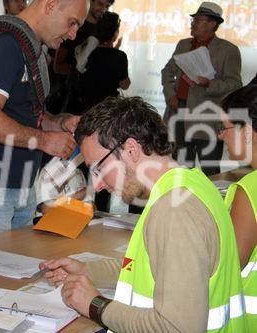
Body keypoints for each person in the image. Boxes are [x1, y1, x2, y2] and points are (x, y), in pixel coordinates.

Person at [40, 96, 247, 332]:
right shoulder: (191, 184)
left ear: (131, 149)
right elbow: (154, 266)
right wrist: (87, 271)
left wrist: (95, 305)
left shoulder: (174, 211)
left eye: (98, 168)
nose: (96, 185)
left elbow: (177, 327)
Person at [0, 0, 88, 235]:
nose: (73, 35)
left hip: (20, 185)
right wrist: (44, 140)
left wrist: (58, 122)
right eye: (72, 23)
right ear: (50, 5)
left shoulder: (29, 47)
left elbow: (24, 112)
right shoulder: (6, 45)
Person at [161, 1, 242, 176]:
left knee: (209, 171)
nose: (193, 23)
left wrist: (209, 84)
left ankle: (210, 203)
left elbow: (235, 84)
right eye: (194, 19)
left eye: (199, 19)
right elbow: (167, 72)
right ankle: (180, 203)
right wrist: (170, 95)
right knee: (179, 168)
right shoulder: (183, 44)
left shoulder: (228, 50)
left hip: (207, 118)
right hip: (178, 112)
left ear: (213, 23)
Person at [220, 85, 257, 326]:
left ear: (248, 131)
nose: (220, 136)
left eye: (225, 128)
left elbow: (228, 265)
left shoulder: (250, 190)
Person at [51, 0, 114, 115]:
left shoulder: (106, 30)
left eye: (107, 6)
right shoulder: (74, 27)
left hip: (95, 103)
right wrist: (83, 71)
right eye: (100, 4)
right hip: (69, 100)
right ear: (90, 2)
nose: (103, 10)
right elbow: (58, 66)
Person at [77, 11, 130, 111]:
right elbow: (125, 84)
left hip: (85, 109)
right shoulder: (120, 57)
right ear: (115, 34)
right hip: (109, 111)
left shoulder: (86, 52)